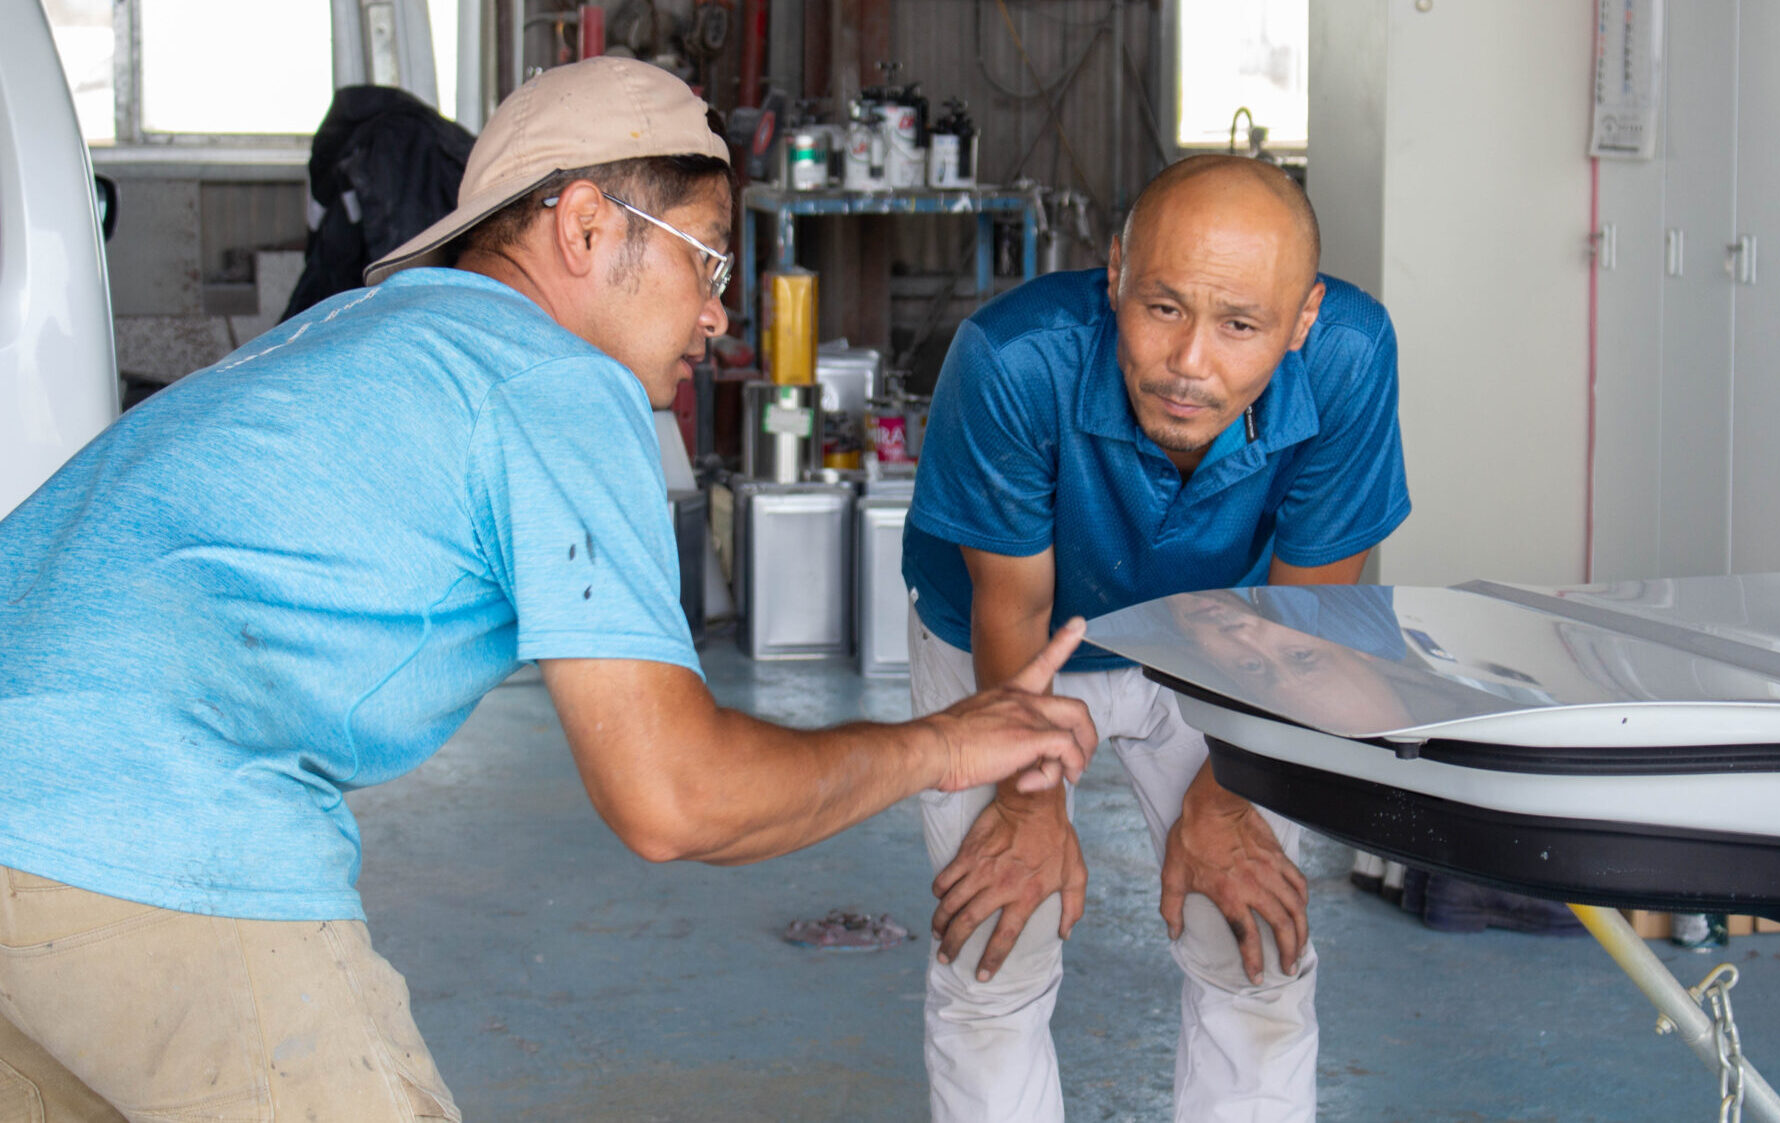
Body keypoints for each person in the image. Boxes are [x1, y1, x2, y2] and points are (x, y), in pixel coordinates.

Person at [0, 59, 1096, 1122]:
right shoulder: (556, 378)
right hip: (143, 829)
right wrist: (948, 744)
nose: (718, 315)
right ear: (581, 228)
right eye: (707, 262)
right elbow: (673, 797)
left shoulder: (355, 330)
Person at [903, 154, 1411, 1121]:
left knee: (1251, 936)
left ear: (1303, 321)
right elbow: (1011, 609)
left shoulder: (1349, 356)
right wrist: (1026, 803)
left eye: (1241, 326)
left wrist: (1229, 801)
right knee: (1001, 933)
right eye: (1163, 308)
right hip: (1013, 643)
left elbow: (1306, 617)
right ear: (1115, 274)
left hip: (1229, 643)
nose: (1189, 363)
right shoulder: (1015, 359)